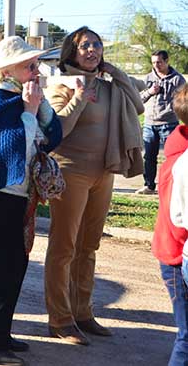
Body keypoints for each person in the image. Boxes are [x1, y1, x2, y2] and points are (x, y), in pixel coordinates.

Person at [0, 36, 62, 366]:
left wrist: (39, 107)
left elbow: (52, 138)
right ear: (8, 69)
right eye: (28, 66)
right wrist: (30, 112)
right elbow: (10, 150)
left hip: (20, 197)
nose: (36, 71)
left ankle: (0, 333)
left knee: (15, 267)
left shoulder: (22, 96)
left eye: (36, 65)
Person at [44, 26, 144, 346]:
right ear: (71, 53)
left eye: (97, 45)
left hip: (104, 172)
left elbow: (137, 104)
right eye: (85, 46)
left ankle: (83, 313)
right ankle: (60, 320)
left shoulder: (107, 84)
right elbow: (58, 129)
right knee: (64, 248)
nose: (92, 50)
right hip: (70, 172)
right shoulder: (60, 84)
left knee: (89, 246)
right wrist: (78, 97)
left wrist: (113, 70)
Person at [153, 85, 188, 366]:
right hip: (177, 257)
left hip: (177, 253)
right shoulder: (181, 162)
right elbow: (177, 220)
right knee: (187, 336)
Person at [137, 50, 186, 195]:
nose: (156, 65)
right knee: (149, 157)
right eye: (153, 62)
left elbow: (183, 101)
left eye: (159, 62)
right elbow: (138, 99)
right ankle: (149, 186)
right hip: (149, 124)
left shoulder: (178, 80)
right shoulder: (147, 79)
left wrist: (171, 108)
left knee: (172, 157)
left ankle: (172, 186)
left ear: (167, 61)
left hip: (169, 124)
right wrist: (150, 92)